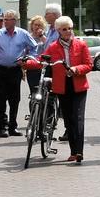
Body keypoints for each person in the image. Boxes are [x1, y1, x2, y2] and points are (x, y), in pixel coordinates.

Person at [40, 16, 91, 163]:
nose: (68, 31)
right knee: (68, 119)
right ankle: (73, 151)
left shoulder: (81, 45)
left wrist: (76, 69)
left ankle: (79, 152)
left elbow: (89, 64)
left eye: (70, 28)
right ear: (58, 31)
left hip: (79, 85)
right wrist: (26, 63)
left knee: (78, 117)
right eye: (64, 29)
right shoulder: (53, 47)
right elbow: (42, 61)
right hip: (62, 86)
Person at [0, 10, 38, 138]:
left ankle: (12, 127)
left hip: (15, 70)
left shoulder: (23, 34)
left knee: (14, 100)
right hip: (0, 70)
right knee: (0, 100)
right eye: (4, 19)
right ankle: (1, 128)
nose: (4, 22)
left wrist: (27, 59)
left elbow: (34, 47)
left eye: (8, 19)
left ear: (15, 21)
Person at [26, 15, 49, 95]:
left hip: (44, 66)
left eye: (39, 25)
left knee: (45, 91)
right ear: (32, 25)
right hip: (32, 67)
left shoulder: (46, 36)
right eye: (35, 24)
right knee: (34, 91)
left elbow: (49, 47)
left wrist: (41, 36)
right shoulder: (28, 37)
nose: (37, 27)